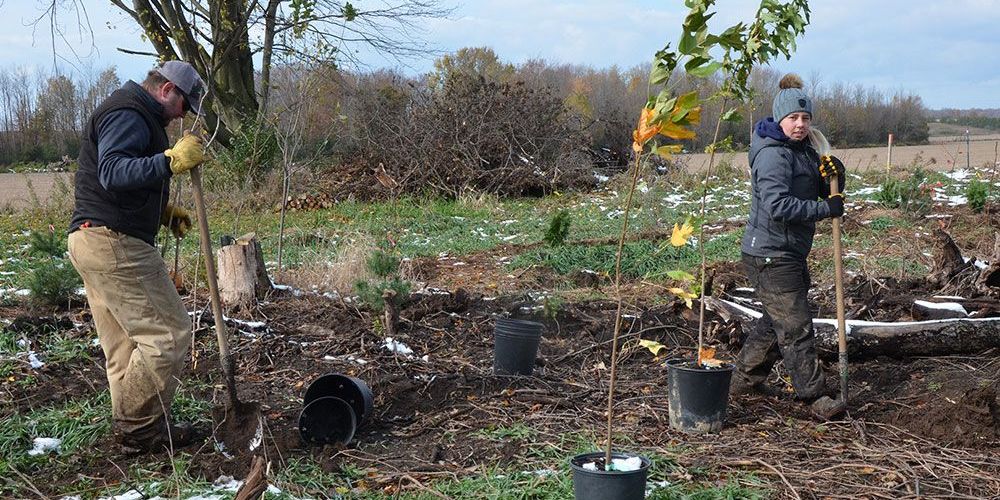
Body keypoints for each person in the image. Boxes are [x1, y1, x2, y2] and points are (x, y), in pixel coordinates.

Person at [67, 60, 208, 453]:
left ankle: (136, 433)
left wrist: (159, 212)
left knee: (124, 348)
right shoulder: (129, 112)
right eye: (184, 107)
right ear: (166, 91)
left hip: (92, 240)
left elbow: (113, 180)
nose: (182, 118)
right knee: (170, 334)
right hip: (114, 243)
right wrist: (169, 161)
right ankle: (136, 427)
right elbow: (114, 171)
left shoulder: (130, 112)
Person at [733, 73, 847, 420]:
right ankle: (813, 397)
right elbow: (779, 207)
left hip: (787, 251)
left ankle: (742, 381)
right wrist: (824, 209)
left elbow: (823, 188)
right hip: (770, 253)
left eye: (805, 118)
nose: (800, 124)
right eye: (793, 118)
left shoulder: (802, 150)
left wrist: (834, 173)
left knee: (775, 321)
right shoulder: (771, 154)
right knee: (795, 325)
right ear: (779, 118)